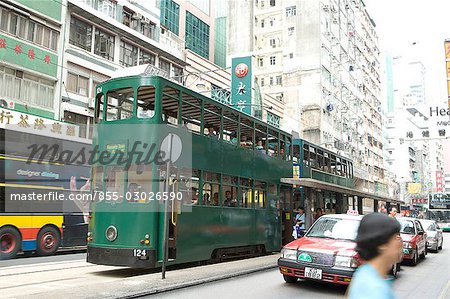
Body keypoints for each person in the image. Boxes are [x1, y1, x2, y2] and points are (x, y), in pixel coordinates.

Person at [348, 213, 402, 299]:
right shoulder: (376, 290)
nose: (400, 241)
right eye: (395, 237)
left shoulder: (364, 272)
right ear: (382, 245)